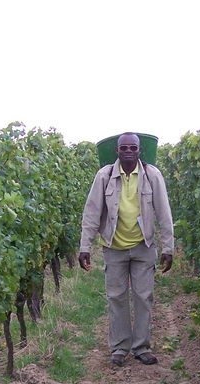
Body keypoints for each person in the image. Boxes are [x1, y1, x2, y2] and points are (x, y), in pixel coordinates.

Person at [79, 132, 174, 367]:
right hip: (114, 248)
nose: (129, 151)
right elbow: (91, 213)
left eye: (133, 148)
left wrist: (168, 247)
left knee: (144, 297)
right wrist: (85, 247)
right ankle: (120, 348)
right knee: (116, 298)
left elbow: (164, 211)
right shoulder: (104, 176)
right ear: (117, 151)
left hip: (144, 247)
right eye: (124, 148)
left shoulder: (152, 175)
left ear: (140, 151)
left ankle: (141, 347)